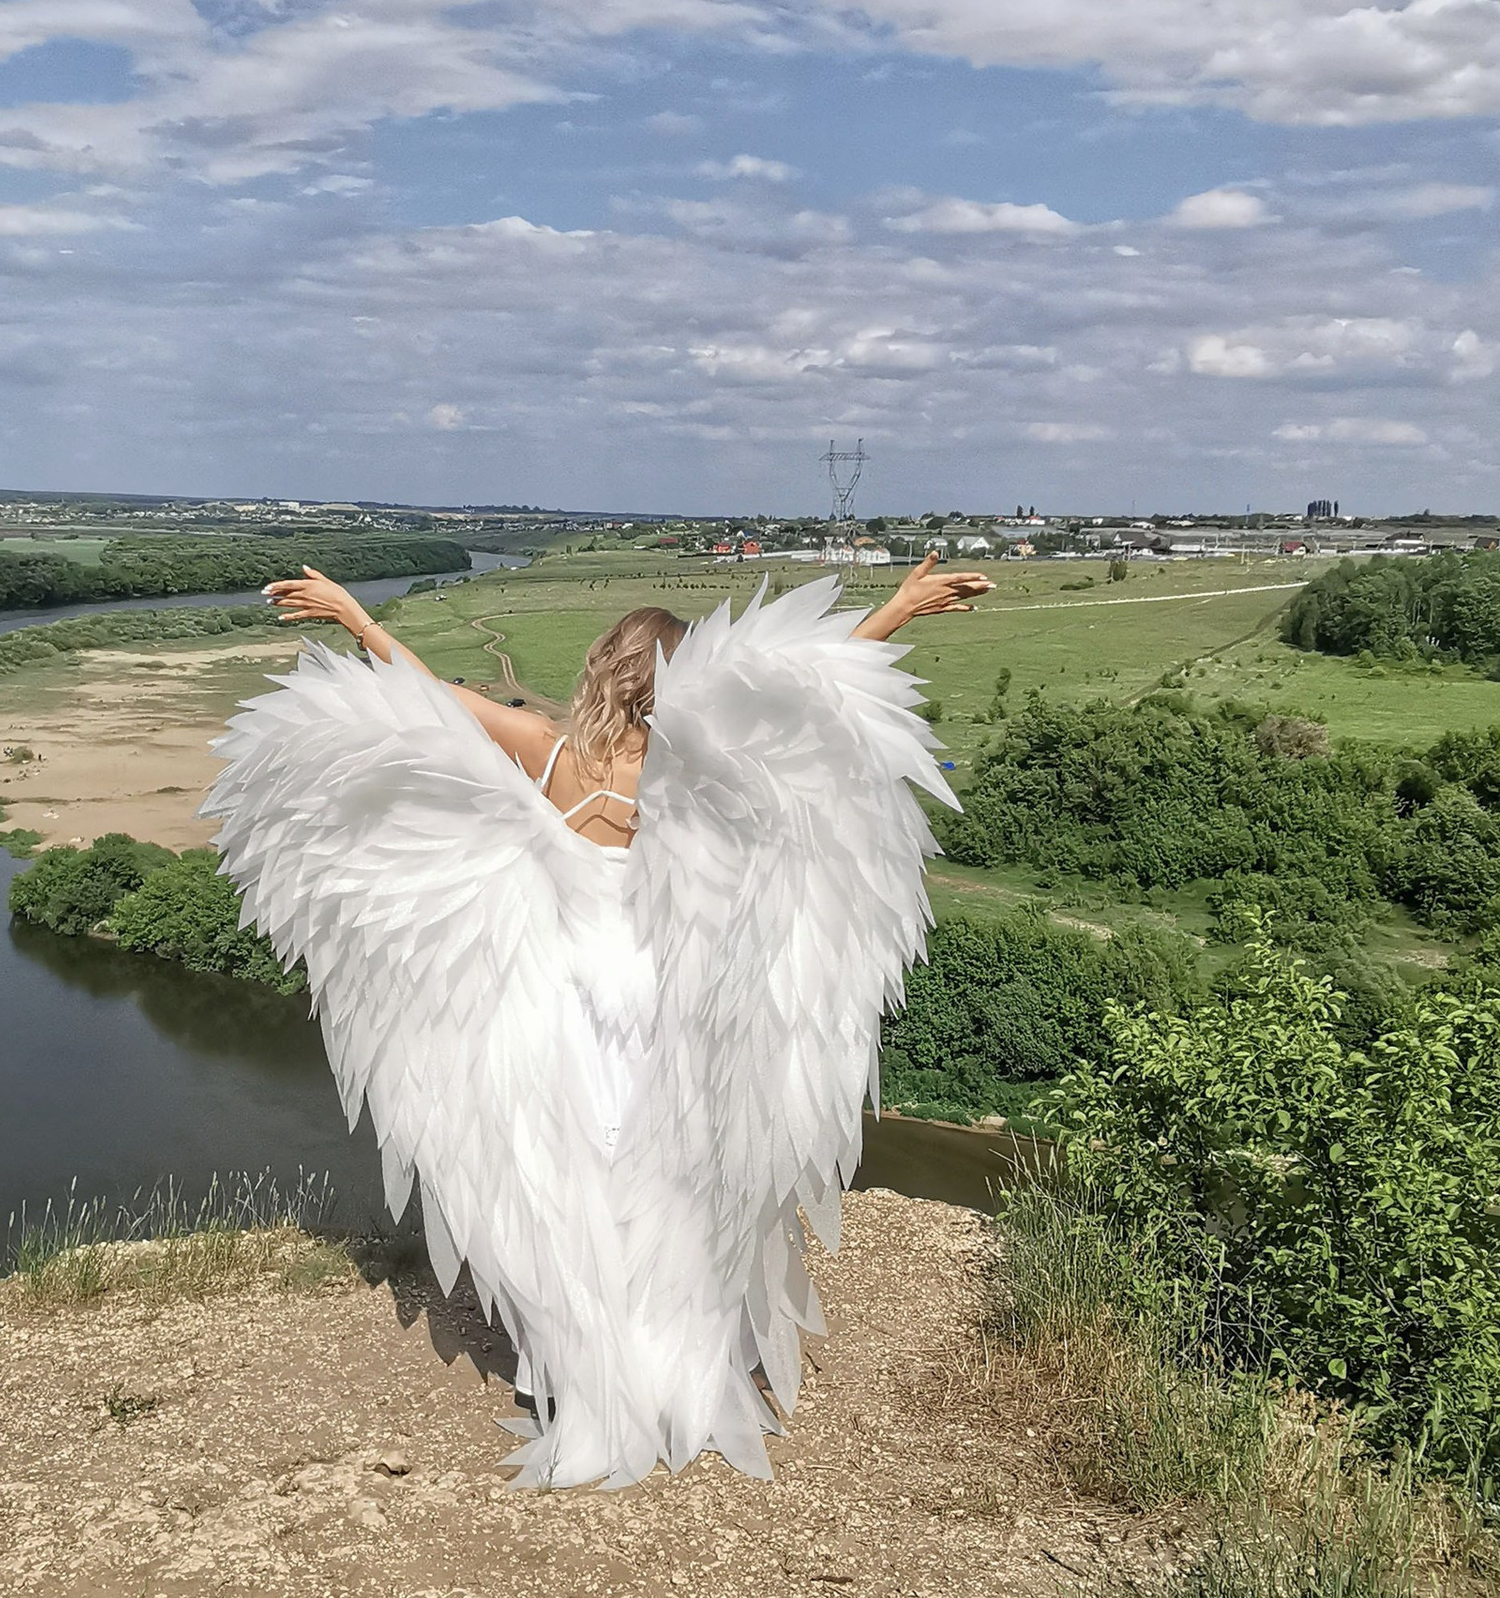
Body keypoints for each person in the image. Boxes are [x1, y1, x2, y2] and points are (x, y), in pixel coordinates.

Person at [209, 551, 991, 1486]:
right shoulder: (684, 767)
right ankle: (686, 1361)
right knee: (680, 1182)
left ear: (603, 671)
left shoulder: (551, 752)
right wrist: (897, 606)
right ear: (676, 679)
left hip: (563, 995)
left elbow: (433, 704)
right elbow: (800, 706)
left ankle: (567, 1374)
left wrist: (356, 619)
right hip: (666, 996)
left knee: (568, 1183)